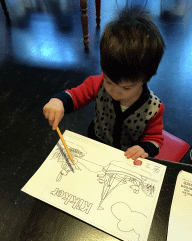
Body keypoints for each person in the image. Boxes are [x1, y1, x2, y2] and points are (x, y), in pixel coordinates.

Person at [43, 7, 165, 160]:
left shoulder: (153, 109)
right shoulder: (98, 83)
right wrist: (59, 101)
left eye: (126, 88)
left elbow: (154, 138)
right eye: (109, 81)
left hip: (125, 156)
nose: (114, 92)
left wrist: (144, 148)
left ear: (147, 78)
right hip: (96, 142)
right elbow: (75, 96)